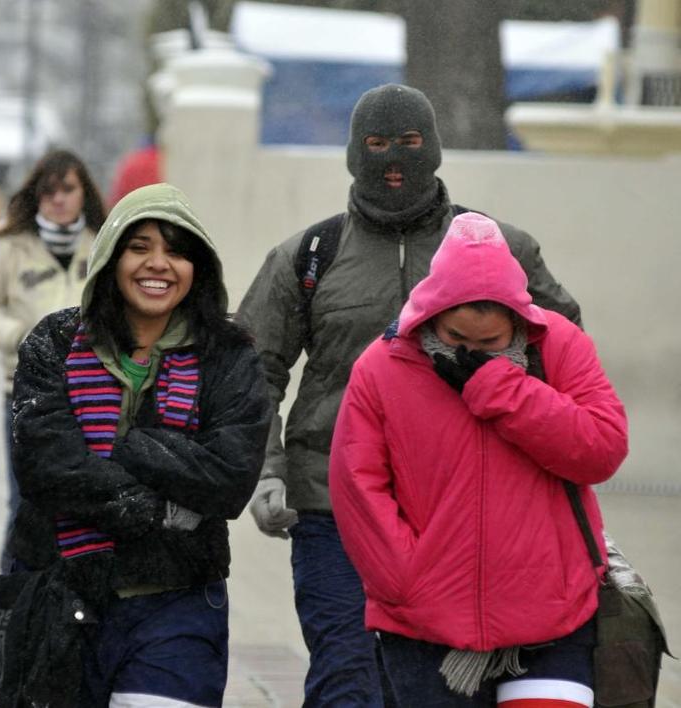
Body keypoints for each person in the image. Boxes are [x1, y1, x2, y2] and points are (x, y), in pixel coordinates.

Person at [235, 83, 582, 705]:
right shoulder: (307, 258)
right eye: (375, 144)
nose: (393, 159)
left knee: (429, 689)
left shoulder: (500, 251)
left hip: (463, 512)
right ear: (353, 152)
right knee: (346, 678)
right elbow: (250, 368)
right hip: (332, 508)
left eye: (410, 141)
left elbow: (564, 354)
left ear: (434, 148)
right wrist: (266, 469)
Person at [329, 212, 627, 706]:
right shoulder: (382, 365)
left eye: (490, 343)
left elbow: (602, 450)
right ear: (432, 314)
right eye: (455, 338)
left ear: (518, 321)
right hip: (426, 624)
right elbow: (358, 484)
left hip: (554, 614)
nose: (470, 351)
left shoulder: (560, 345)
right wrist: (406, 580)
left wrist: (502, 389)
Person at [7, 183, 271, 705]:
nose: (159, 264)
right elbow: (46, 466)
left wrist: (131, 446)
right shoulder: (53, 343)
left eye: (177, 251)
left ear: (197, 268)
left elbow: (230, 476)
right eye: (139, 247)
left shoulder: (229, 356)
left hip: (176, 604)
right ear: (110, 258)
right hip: (60, 598)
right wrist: (155, 506)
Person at [0, 148, 106, 573]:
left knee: (83, 500)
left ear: (83, 193)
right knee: (25, 501)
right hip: (25, 395)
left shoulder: (102, 245)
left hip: (91, 394)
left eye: (67, 189)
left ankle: (71, 588)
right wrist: (22, 337)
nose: (58, 198)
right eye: (48, 190)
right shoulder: (9, 248)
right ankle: (12, 594)